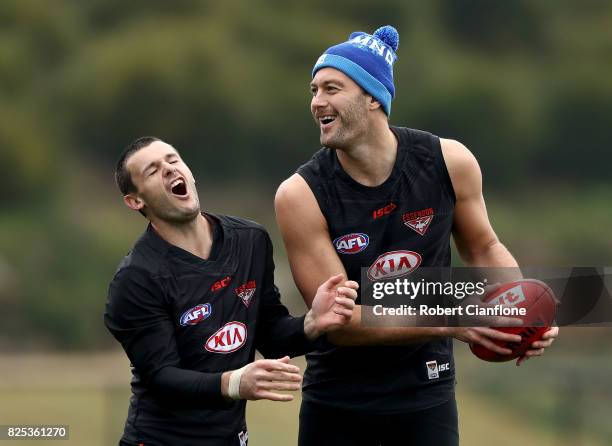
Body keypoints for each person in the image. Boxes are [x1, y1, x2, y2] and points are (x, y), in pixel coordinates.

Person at [275, 25, 559, 445]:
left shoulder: (449, 161)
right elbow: (340, 322)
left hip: (428, 395)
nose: (317, 102)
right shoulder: (300, 195)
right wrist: (453, 319)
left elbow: (483, 247)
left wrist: (519, 315)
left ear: (373, 97)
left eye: (331, 88)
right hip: (340, 404)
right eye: (314, 90)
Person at [104, 136, 358, 446]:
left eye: (173, 159)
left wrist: (311, 323)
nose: (169, 169)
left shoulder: (250, 240)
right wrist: (233, 383)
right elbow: (162, 376)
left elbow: (272, 336)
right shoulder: (136, 278)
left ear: (189, 171)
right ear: (135, 201)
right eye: (153, 170)